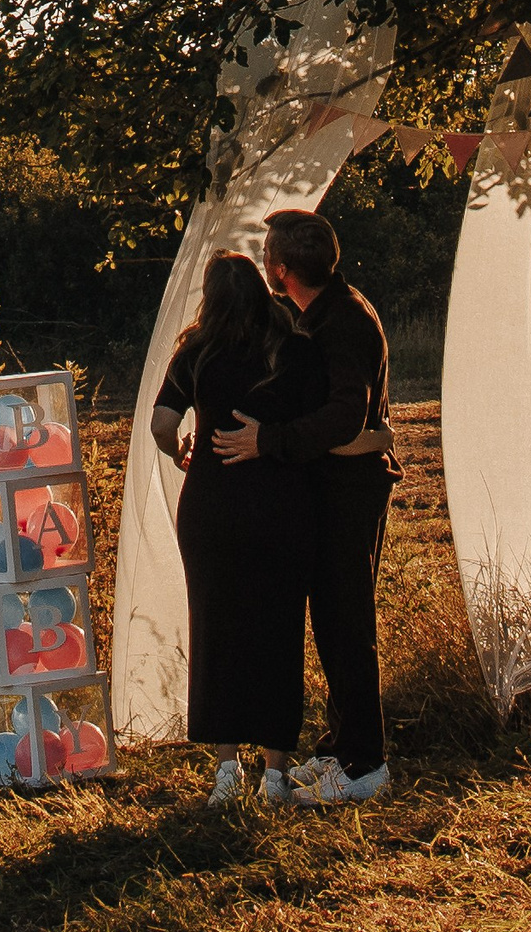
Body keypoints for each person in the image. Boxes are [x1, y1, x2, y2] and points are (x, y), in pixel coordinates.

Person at [209, 206, 396, 805]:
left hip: (350, 491)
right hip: (331, 487)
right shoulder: (318, 313)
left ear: (282, 268)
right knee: (331, 620)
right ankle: (341, 746)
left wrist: (271, 441)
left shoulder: (343, 324)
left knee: (346, 625)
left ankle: (365, 763)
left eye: (268, 254)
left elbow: (347, 417)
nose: (264, 263)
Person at [150, 250, 322, 803]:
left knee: (216, 629)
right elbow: (317, 418)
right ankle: (275, 771)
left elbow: (162, 422)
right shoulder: (290, 346)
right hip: (279, 504)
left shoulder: (196, 351)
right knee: (277, 631)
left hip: (212, 508)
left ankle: (227, 769)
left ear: (211, 297)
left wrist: (181, 450)